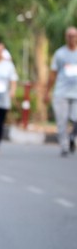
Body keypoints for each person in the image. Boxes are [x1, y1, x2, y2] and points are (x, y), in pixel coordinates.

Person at [46, 26, 77, 157]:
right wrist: (47, 91)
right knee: (61, 121)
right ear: (66, 37)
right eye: (69, 35)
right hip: (62, 93)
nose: (71, 38)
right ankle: (64, 146)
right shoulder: (60, 54)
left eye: (73, 35)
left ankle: (72, 137)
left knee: (75, 119)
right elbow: (53, 74)